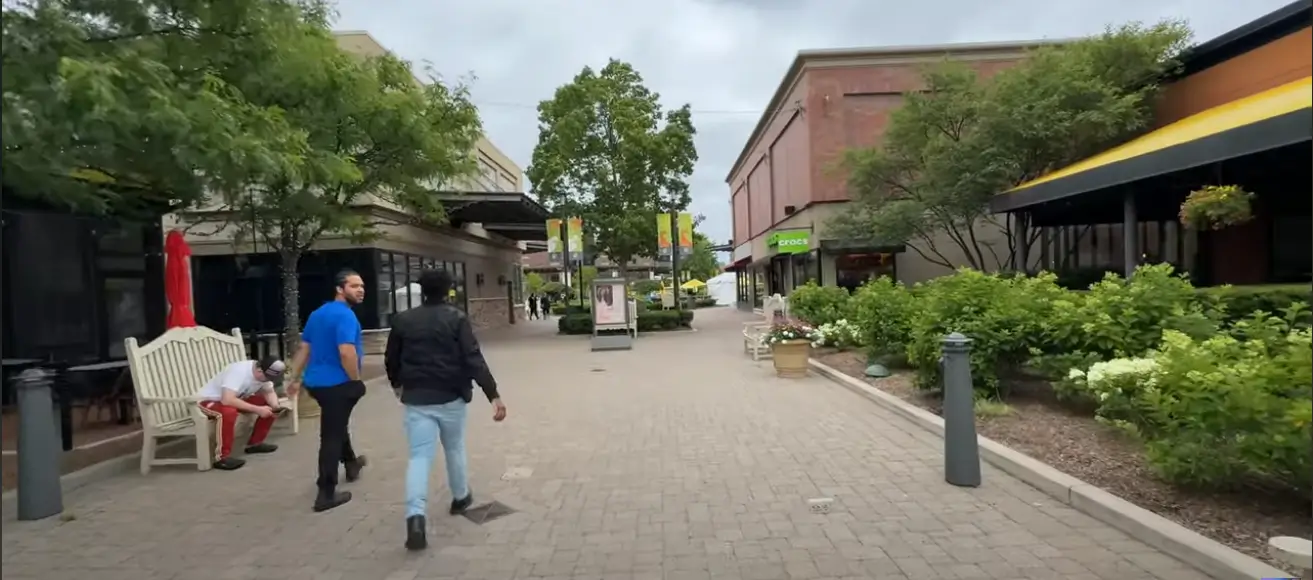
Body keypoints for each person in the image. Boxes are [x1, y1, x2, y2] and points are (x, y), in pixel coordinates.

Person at [385, 268, 506, 551]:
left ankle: (415, 517)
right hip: (451, 396)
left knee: (418, 458)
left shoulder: (403, 320)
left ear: (422, 290)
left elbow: (392, 358)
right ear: (448, 290)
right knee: (454, 447)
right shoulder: (457, 319)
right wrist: (493, 394)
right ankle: (461, 496)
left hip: (417, 398)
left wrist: (397, 386)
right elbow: (473, 357)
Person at [286, 269, 369, 513]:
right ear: (340, 289)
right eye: (354, 286)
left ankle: (351, 463)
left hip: (316, 385)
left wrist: (295, 377)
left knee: (336, 423)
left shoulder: (317, 314)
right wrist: (355, 380)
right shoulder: (345, 316)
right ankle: (326, 492)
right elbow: (346, 351)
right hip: (337, 385)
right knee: (331, 436)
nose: (361, 290)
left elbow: (304, 348)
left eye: (362, 285)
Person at [197, 356, 288, 471]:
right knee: (228, 412)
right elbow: (227, 400)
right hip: (209, 401)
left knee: (268, 405)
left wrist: (275, 407)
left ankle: (255, 444)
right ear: (259, 370)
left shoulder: (265, 375)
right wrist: (257, 409)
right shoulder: (239, 371)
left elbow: (269, 391)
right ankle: (221, 458)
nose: (268, 380)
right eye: (267, 377)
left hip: (235, 398)